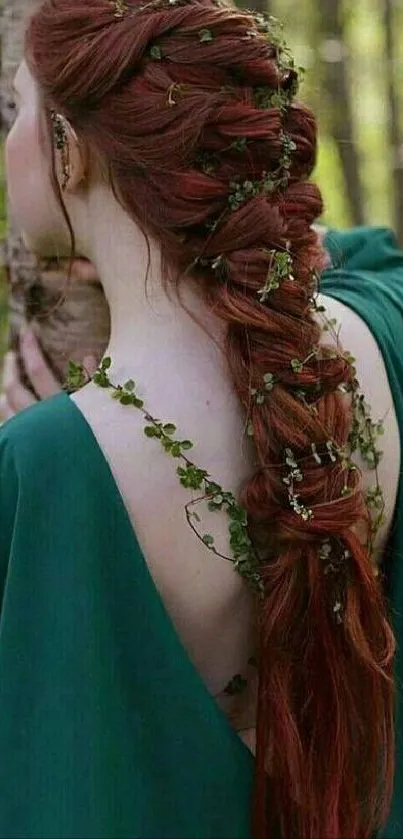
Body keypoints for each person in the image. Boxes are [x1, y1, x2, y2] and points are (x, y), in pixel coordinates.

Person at [1, 0, 402, 836]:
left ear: (68, 151)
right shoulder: (376, 339)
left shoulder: (47, 464)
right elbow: (374, 260)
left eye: (15, 110)